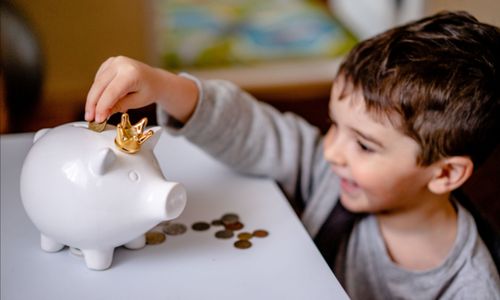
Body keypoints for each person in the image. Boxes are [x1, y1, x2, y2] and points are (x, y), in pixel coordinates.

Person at [85, 11, 500, 299]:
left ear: (445, 175)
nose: (331, 150)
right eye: (334, 124)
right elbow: (251, 128)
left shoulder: (473, 288)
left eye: (364, 145)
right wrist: (162, 85)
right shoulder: (334, 173)